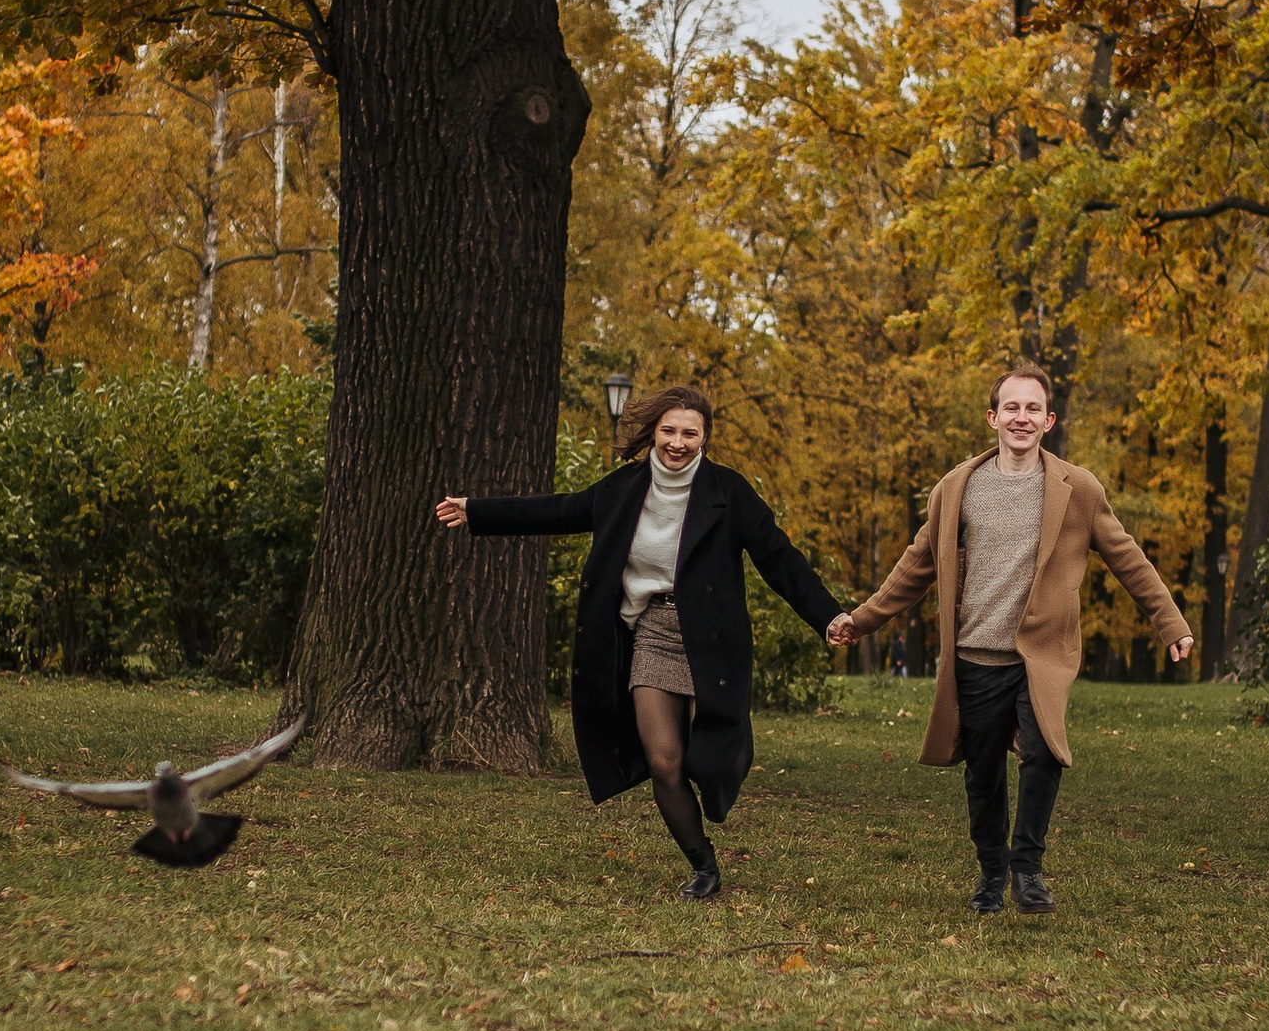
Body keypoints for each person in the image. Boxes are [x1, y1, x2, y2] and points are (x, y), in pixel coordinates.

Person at [437, 386, 842, 901]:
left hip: (712, 640)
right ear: (654, 432)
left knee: (710, 756)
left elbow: (780, 558)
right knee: (664, 762)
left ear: (705, 437)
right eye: (668, 430)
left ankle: (720, 775)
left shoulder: (729, 492)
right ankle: (703, 865)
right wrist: (476, 511)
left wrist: (828, 616)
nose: (677, 442)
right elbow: (559, 510)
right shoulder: (624, 488)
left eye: (690, 433)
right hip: (652, 632)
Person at [827, 367, 1194, 915]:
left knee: (1043, 752)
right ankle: (992, 871)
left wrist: (1171, 623)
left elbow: (1127, 557)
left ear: (1048, 421)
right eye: (1012, 408)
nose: (1022, 418)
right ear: (993, 417)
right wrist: (863, 619)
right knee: (982, 774)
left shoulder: (1078, 490)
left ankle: (1027, 869)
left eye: (1033, 409)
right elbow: (916, 564)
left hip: (1041, 656)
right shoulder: (956, 488)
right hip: (974, 654)